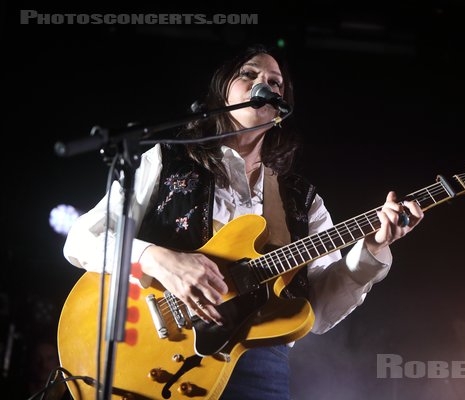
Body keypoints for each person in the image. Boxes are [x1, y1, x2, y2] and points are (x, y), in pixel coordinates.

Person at [62, 43, 424, 400]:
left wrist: (374, 246)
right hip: (152, 348)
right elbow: (82, 239)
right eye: (248, 75)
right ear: (223, 92)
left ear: (282, 108)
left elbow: (321, 310)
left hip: (260, 365)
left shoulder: (302, 198)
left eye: (275, 82)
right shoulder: (167, 159)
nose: (262, 85)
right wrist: (159, 259)